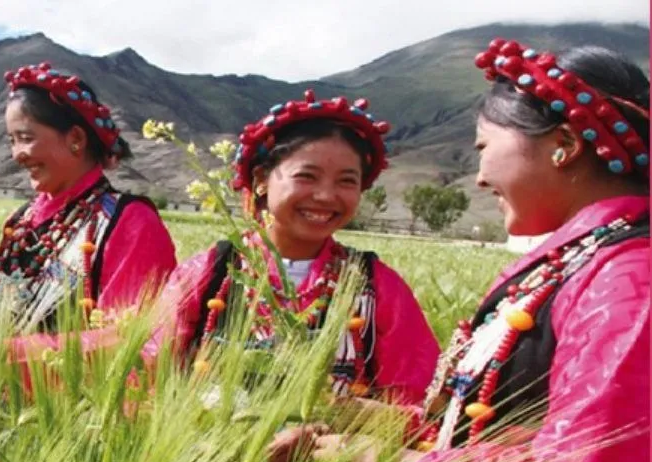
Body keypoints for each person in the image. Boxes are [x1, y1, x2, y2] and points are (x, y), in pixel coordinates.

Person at [274, 42, 650, 462]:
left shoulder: (626, 279)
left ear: (565, 147)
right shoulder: (582, 264)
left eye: (485, 148)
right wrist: (358, 421)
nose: (477, 177)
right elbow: (498, 426)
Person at [146, 90, 439, 405]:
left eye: (346, 181)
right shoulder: (208, 274)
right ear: (261, 178)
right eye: (307, 176)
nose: (326, 196)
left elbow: (417, 401)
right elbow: (148, 382)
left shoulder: (377, 287)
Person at [0, 63, 177, 363]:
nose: (16, 154)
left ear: (76, 138)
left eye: (25, 138)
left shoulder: (130, 222)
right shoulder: (20, 222)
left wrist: (3, 356)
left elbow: (127, 338)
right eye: (11, 141)